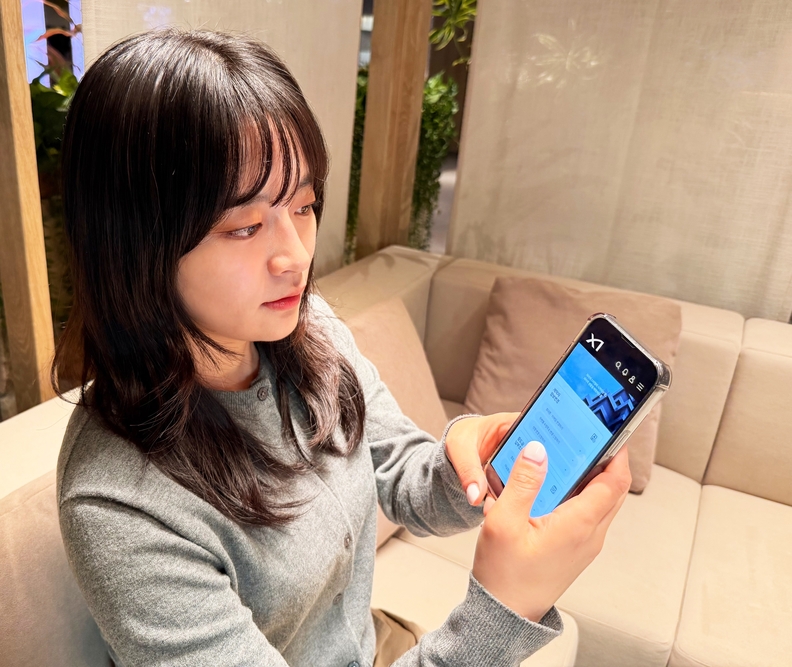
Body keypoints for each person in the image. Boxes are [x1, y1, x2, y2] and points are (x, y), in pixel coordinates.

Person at [53, 28, 631, 667]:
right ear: (132, 242)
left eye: (303, 207)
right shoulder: (121, 505)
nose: (296, 257)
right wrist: (504, 610)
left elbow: (402, 478)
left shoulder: (307, 328)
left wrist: (471, 465)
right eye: (245, 226)